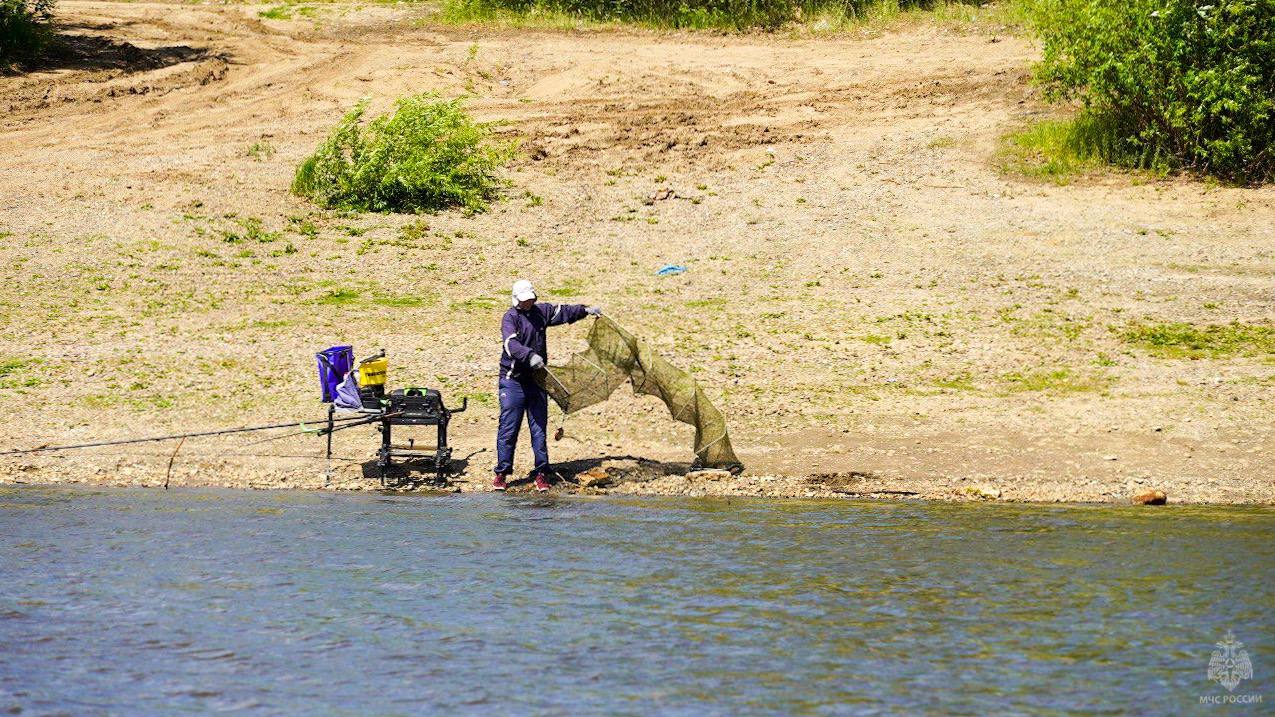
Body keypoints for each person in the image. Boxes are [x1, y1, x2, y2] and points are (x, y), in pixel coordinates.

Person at [494, 279, 601, 491]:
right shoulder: (510, 318)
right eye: (525, 300)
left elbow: (562, 312)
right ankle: (502, 472)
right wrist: (529, 355)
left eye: (531, 299)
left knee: (538, 428)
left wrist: (585, 310)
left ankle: (542, 472)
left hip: (537, 380)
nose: (529, 302)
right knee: (509, 428)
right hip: (513, 381)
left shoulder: (540, 312)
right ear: (516, 300)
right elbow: (510, 344)